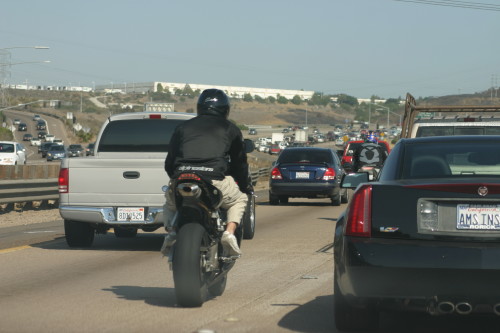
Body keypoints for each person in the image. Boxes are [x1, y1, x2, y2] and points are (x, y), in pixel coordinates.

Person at [162, 89, 252, 258]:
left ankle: (172, 231)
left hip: (182, 179)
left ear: (200, 107)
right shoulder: (230, 129)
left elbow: (169, 162)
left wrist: (176, 176)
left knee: (169, 204)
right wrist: (244, 185)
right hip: (213, 181)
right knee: (240, 199)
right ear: (225, 109)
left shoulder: (182, 127)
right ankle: (229, 233)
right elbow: (240, 163)